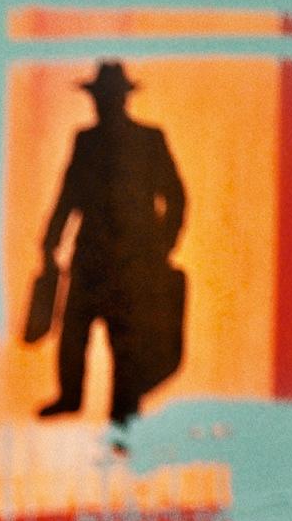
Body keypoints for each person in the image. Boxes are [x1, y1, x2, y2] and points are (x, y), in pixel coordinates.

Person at [33, 60, 187, 425]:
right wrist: (51, 241)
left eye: (106, 97)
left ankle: (123, 414)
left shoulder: (149, 140)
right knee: (74, 331)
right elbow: (69, 196)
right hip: (94, 258)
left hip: (133, 262)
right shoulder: (86, 141)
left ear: (119, 100)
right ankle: (71, 396)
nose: (102, 104)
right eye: (100, 98)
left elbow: (176, 195)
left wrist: (163, 243)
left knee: (126, 343)